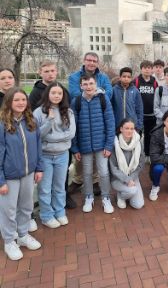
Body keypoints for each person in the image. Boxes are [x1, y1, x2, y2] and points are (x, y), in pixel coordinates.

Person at [0, 88, 43, 261]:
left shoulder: (31, 121)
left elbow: (38, 146)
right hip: (9, 176)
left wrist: (39, 168)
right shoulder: (2, 123)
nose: (20, 103)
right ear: (9, 102)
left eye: (23, 100)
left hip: (28, 173)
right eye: (16, 100)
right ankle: (9, 241)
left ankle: (23, 235)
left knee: (26, 207)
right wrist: (1, 180)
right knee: (8, 210)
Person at [71, 74, 115, 214]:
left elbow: (110, 122)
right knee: (87, 173)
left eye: (91, 83)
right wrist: (75, 147)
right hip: (84, 146)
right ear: (81, 86)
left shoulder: (103, 99)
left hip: (101, 145)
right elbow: (73, 127)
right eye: (85, 84)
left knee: (103, 172)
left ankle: (106, 198)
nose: (88, 86)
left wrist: (109, 145)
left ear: (96, 84)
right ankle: (88, 197)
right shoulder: (76, 101)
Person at [33, 83, 76, 228]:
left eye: (59, 93)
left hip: (62, 155)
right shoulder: (39, 112)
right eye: (53, 93)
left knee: (59, 186)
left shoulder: (68, 112)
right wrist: (50, 120)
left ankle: (59, 211)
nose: (56, 96)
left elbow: (71, 134)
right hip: (44, 156)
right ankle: (46, 215)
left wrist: (51, 137)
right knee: (45, 188)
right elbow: (37, 134)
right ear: (47, 94)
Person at [109, 119, 145, 210]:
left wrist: (131, 178)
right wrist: (127, 180)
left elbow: (140, 165)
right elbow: (113, 168)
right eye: (127, 128)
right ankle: (121, 196)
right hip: (117, 178)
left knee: (138, 204)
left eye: (132, 128)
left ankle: (124, 195)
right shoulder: (115, 144)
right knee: (132, 190)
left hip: (133, 176)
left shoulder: (138, 143)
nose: (129, 131)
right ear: (121, 129)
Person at [134, 60, 158, 158]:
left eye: (149, 68)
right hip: (139, 114)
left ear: (152, 70)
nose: (147, 70)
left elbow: (157, 96)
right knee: (136, 136)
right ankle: (136, 155)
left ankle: (147, 155)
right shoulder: (136, 81)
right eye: (145, 68)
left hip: (151, 114)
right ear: (141, 69)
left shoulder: (154, 81)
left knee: (149, 136)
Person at [112, 67, 143, 131]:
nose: (126, 78)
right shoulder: (114, 90)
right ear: (120, 77)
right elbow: (111, 109)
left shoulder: (135, 91)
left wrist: (138, 126)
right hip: (117, 126)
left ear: (131, 78)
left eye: (128, 77)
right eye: (124, 76)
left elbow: (139, 110)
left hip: (131, 127)